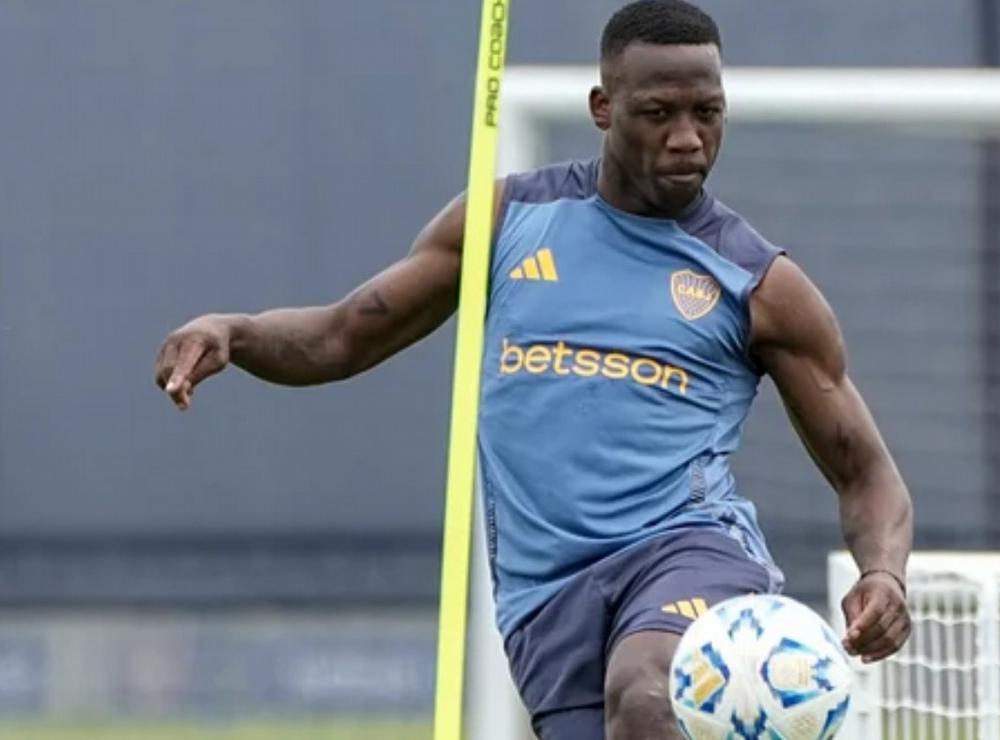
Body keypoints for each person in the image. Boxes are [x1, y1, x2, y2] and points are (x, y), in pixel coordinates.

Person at [153, 1, 913, 737]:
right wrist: (235, 332)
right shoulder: (505, 221)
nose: (688, 139)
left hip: (685, 548)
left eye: (707, 113)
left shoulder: (758, 283)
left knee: (647, 694)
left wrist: (882, 574)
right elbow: (342, 337)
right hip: (546, 594)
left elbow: (865, 471)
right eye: (659, 114)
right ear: (602, 106)